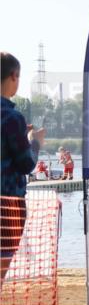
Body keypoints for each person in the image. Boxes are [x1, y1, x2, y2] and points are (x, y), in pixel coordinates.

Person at [1, 53, 45, 283]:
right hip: (7, 206)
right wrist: (35, 142)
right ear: (13, 76)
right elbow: (27, 163)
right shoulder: (12, 117)